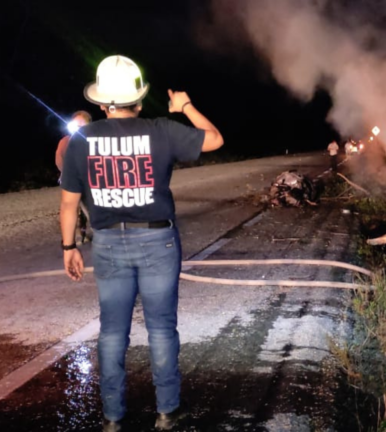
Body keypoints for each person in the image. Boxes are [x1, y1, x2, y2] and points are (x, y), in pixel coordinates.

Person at [59, 55, 224, 432]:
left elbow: (68, 204)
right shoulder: (161, 130)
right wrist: (185, 106)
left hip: (107, 245)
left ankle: (113, 418)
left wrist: (69, 247)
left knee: (112, 332)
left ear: (103, 102)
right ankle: (167, 412)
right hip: (157, 241)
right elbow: (215, 139)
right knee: (161, 329)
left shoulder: (80, 142)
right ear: (138, 98)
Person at [56, 111, 93, 243]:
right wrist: (68, 176)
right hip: (73, 182)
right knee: (72, 208)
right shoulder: (66, 141)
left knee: (90, 208)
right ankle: (76, 236)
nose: (78, 127)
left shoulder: (93, 140)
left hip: (91, 181)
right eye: (75, 124)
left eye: (81, 124)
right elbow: (59, 160)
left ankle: (98, 231)